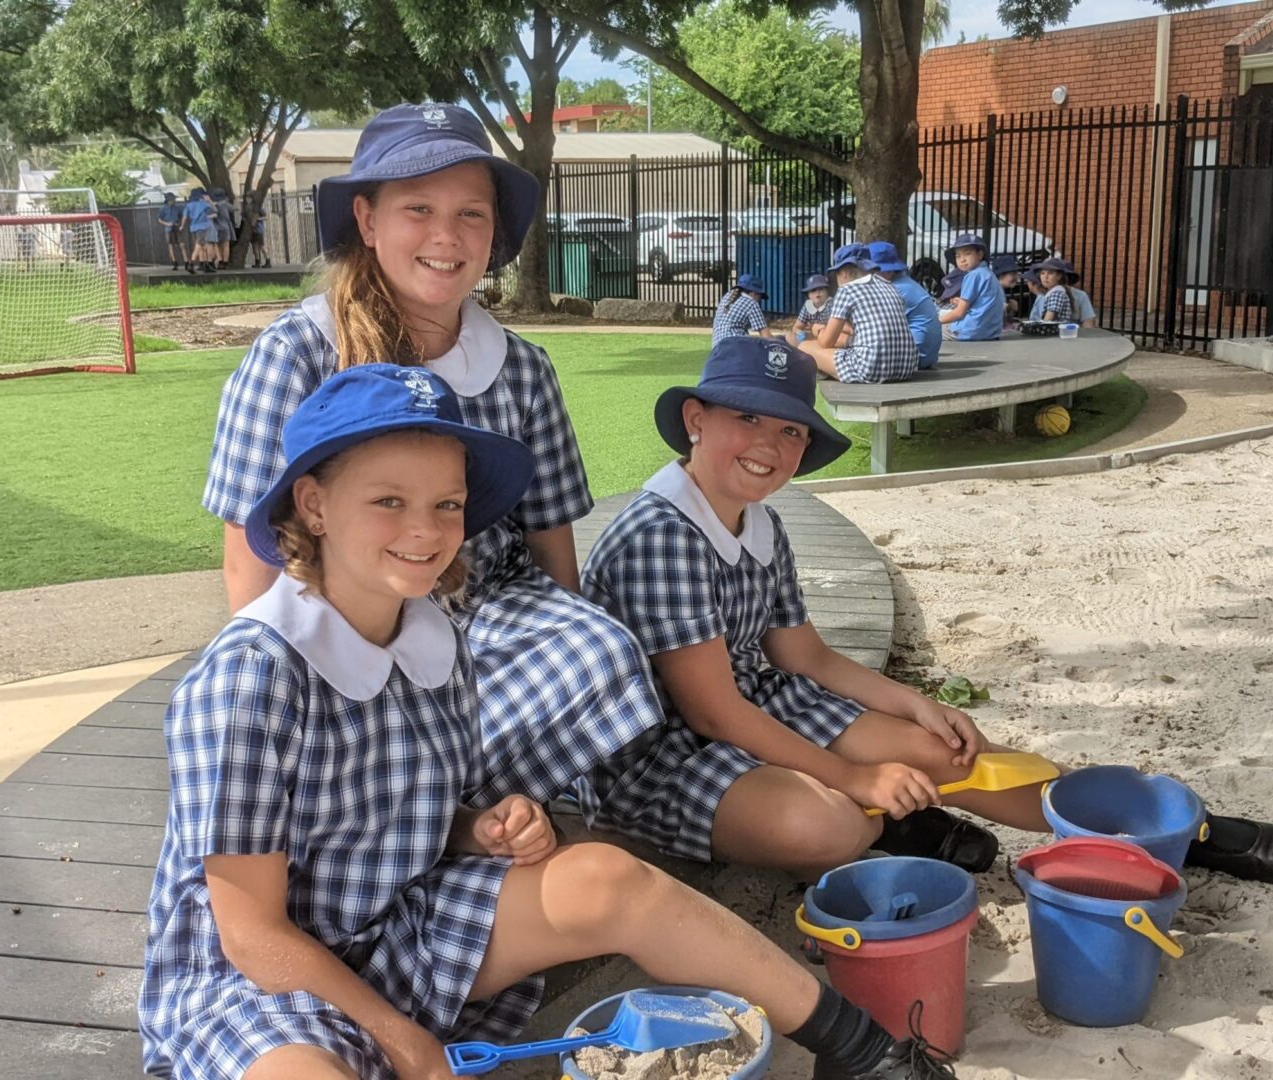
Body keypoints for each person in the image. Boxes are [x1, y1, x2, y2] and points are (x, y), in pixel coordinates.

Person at [142, 362, 916, 1080]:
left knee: (607, 875)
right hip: (265, 981)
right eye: (388, 501)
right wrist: (404, 1038)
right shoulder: (252, 674)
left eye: (447, 505)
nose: (426, 529)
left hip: (401, 922)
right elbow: (251, 936)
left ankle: (862, 1048)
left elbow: (416, 813)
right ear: (312, 504)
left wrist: (480, 827)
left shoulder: (436, 635)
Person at [580, 336, 1273, 888]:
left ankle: (1174, 830)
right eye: (749, 418)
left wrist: (916, 706)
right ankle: (896, 820)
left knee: (953, 753)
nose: (770, 446)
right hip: (665, 750)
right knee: (832, 821)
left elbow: (803, 657)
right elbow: (712, 715)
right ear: (696, 419)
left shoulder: (759, 517)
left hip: (762, 702)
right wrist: (853, 776)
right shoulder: (660, 534)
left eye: (791, 430)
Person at [202, 102, 665, 812]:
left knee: (601, 655)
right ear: (367, 220)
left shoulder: (521, 368)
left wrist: (570, 630)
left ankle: (447, 814)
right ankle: (416, 811)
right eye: (418, 208)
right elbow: (250, 559)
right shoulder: (297, 354)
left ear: (494, 230)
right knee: (365, 733)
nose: (446, 237)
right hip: (346, 613)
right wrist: (274, 695)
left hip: (489, 610)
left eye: (471, 214)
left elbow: (549, 540)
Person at [799, 245, 920, 383]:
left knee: (806, 346)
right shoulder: (889, 286)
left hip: (870, 368)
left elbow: (827, 342)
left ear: (843, 272)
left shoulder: (847, 291)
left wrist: (819, 331)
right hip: (907, 367)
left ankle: (828, 371)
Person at [865, 241, 940, 371]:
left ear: (887, 272)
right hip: (927, 355)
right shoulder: (905, 284)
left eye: (871, 272)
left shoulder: (893, 290)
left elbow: (875, 328)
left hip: (912, 357)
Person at [937, 232, 1003, 341]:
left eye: (967, 254)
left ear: (980, 255)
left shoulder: (972, 275)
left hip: (971, 330)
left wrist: (936, 322)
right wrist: (960, 301)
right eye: (958, 256)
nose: (962, 260)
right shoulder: (988, 273)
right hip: (991, 331)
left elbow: (959, 313)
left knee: (929, 328)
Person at [1030, 256, 1097, 328]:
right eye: (1042, 273)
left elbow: (1088, 321)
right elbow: (1034, 319)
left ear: (1059, 276)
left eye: (1051, 273)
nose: (1045, 277)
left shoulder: (1059, 293)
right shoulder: (1043, 295)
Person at [712, 273, 773, 343]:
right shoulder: (751, 303)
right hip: (735, 346)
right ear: (753, 293)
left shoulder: (728, 296)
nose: (759, 300)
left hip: (717, 347)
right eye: (759, 296)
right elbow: (766, 336)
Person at [785, 273, 832, 346]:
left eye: (821, 289)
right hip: (813, 337)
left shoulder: (831, 304)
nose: (817, 292)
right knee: (789, 336)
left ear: (827, 292)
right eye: (813, 290)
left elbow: (835, 328)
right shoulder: (808, 305)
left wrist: (822, 328)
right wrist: (801, 334)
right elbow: (796, 327)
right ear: (808, 295)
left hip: (828, 337)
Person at [181, 188, 215, 275]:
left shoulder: (188, 205)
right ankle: (191, 263)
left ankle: (205, 265)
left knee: (203, 246)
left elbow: (185, 217)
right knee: (199, 245)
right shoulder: (203, 204)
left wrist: (182, 225)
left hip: (193, 227)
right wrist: (210, 201)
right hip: (202, 226)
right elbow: (213, 212)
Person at [159, 192, 186, 271]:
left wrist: (180, 224)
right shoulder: (163, 208)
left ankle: (186, 261)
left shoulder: (177, 208)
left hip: (176, 227)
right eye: (172, 199)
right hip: (168, 228)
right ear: (168, 200)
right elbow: (160, 219)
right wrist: (167, 223)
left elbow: (181, 216)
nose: (174, 201)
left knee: (182, 244)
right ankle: (174, 262)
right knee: (171, 245)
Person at [211, 188, 237, 269]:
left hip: (216, 227)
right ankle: (225, 262)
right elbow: (235, 209)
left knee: (218, 245)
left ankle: (220, 261)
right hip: (225, 226)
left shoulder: (212, 205)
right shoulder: (225, 204)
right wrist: (235, 199)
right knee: (226, 245)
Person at [250, 203, 271, 268]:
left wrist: (258, 219)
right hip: (252, 230)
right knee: (254, 246)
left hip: (258, 230)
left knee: (261, 246)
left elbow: (266, 217)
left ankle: (267, 261)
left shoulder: (259, 208)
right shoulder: (249, 208)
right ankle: (257, 261)